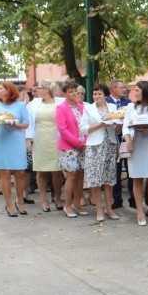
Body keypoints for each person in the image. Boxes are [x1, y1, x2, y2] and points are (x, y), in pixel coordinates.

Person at [122, 80, 148, 226]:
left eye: (137, 90)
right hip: (136, 145)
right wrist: (128, 141)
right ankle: (139, 211)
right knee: (136, 178)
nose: (134, 93)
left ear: (145, 91)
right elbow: (125, 127)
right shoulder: (130, 107)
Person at [0, 82, 30, 217]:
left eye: (1, 88)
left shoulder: (20, 106)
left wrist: (15, 124)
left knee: (20, 172)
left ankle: (19, 200)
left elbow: (26, 124)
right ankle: (8, 203)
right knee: (4, 172)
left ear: (9, 90)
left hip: (15, 140)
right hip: (0, 141)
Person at [81, 84, 120, 222]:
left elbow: (117, 129)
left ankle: (109, 209)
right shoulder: (88, 108)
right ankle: (99, 209)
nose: (97, 96)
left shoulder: (113, 108)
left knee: (109, 179)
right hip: (95, 146)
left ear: (106, 96)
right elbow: (83, 128)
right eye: (95, 94)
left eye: (99, 94)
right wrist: (100, 125)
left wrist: (119, 125)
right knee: (95, 179)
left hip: (110, 145)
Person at [26, 80, 65, 212]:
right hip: (40, 139)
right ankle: (44, 200)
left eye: (40, 88)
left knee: (57, 171)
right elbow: (29, 122)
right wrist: (28, 140)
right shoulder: (33, 103)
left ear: (48, 89)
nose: (37, 91)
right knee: (40, 170)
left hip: (56, 139)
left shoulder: (60, 102)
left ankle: (58, 198)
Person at [56, 80, 88, 218]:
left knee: (81, 174)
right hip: (69, 147)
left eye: (75, 90)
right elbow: (63, 130)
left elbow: (87, 125)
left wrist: (85, 142)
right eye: (70, 91)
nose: (74, 93)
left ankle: (77, 203)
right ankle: (67, 205)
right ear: (65, 94)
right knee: (72, 175)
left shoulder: (81, 107)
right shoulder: (61, 108)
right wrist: (77, 143)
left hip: (83, 145)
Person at [106, 79, 132, 209]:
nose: (124, 90)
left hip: (126, 140)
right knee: (116, 170)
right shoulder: (106, 102)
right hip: (112, 140)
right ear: (113, 89)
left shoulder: (128, 102)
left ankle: (133, 197)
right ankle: (117, 198)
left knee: (130, 168)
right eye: (121, 87)